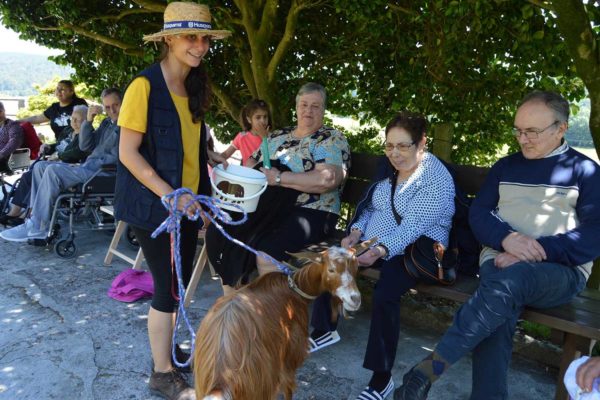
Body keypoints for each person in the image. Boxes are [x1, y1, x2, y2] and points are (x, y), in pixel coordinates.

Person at [395, 90, 600, 400]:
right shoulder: (505, 167)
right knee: (501, 303)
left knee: (506, 285)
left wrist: (536, 250)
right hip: (500, 260)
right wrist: (508, 240)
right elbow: (479, 214)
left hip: (559, 271)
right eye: (518, 130)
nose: (523, 139)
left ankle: (427, 370)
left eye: (532, 131)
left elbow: (594, 234)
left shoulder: (585, 172)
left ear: (561, 128)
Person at [113, 3, 230, 399]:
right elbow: (128, 153)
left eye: (204, 38)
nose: (199, 46)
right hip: (155, 210)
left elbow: (194, 153)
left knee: (177, 286)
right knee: (167, 286)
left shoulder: (194, 85)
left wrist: (205, 201)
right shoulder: (143, 86)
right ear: (167, 39)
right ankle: (162, 373)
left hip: (188, 206)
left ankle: (167, 353)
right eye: (189, 37)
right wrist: (170, 196)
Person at [309, 112, 455, 400]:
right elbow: (374, 207)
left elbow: (412, 227)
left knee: (387, 288)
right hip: (377, 240)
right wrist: (354, 233)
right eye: (389, 146)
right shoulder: (389, 170)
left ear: (422, 142)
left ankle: (381, 377)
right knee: (333, 257)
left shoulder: (435, 179)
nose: (395, 154)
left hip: (419, 248)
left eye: (403, 146)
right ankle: (324, 328)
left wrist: (377, 251)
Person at [206, 82, 350, 296]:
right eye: (304, 104)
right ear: (296, 106)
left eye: (315, 106)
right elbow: (249, 166)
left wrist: (280, 177)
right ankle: (234, 302)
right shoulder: (277, 136)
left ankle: (271, 316)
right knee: (223, 229)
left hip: (312, 211)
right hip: (268, 208)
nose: (308, 110)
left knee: (267, 252)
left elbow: (326, 180)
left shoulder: (329, 138)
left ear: (323, 109)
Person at [0, 88, 121, 242]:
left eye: (116, 105)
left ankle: (39, 227)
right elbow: (86, 146)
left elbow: (117, 156)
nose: (112, 110)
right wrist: (88, 121)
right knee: (40, 167)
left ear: (123, 103)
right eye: (108, 107)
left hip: (102, 173)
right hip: (88, 168)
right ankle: (32, 220)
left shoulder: (126, 126)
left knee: (52, 170)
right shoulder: (106, 122)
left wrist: (79, 165)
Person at [0, 105, 89, 227]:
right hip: (54, 162)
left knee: (35, 176)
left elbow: (78, 151)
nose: (73, 122)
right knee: (28, 176)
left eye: (77, 120)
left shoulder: (86, 135)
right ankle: (15, 211)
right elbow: (57, 144)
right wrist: (47, 146)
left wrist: (59, 155)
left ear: (87, 120)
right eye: (72, 118)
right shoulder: (69, 130)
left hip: (67, 166)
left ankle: (26, 214)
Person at [19, 80, 88, 140]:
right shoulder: (54, 108)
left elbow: (86, 121)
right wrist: (17, 122)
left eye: (62, 89)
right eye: (57, 88)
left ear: (71, 92)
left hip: (78, 143)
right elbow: (37, 118)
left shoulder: (79, 104)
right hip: (61, 145)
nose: (58, 91)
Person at [220, 99, 270, 166]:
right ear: (249, 119)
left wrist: (265, 139)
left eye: (265, 117)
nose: (263, 121)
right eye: (258, 117)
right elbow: (226, 154)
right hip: (246, 175)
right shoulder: (242, 136)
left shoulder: (271, 137)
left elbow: (270, 161)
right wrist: (214, 159)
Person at [0, 101, 24, 170]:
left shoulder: (13, 125)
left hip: (6, 159)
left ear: (2, 112)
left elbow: (14, 142)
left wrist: (1, 154)